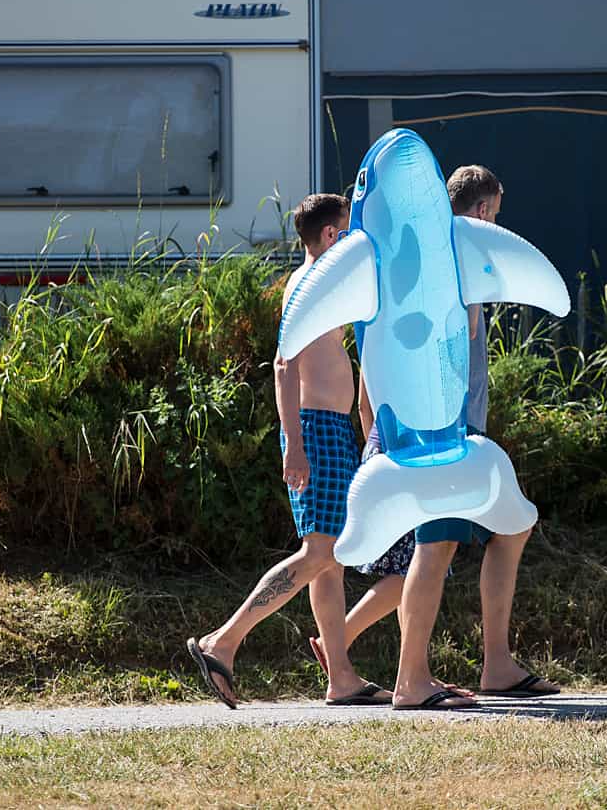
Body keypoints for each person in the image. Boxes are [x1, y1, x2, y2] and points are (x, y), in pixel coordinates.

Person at [333, 165, 562, 710]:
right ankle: (412, 681)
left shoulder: (426, 255)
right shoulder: (455, 256)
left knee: (513, 528)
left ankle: (497, 664)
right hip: (443, 436)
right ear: (483, 211)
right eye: (495, 214)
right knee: (435, 548)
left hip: (458, 436)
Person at [186, 193, 391, 708]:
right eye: (346, 231)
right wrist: (294, 445)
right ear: (329, 236)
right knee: (318, 553)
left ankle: (341, 678)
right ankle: (223, 641)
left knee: (333, 560)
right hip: (315, 431)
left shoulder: (324, 284)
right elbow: (284, 365)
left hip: (330, 431)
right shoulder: (308, 286)